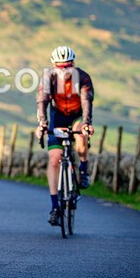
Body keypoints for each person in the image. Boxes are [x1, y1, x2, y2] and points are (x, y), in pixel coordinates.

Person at [36, 46, 95, 226]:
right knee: (55, 158)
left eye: (67, 65)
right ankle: (55, 207)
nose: (64, 70)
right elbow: (42, 101)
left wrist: (87, 123)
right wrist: (42, 124)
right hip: (58, 117)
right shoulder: (48, 78)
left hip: (77, 116)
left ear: (73, 64)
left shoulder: (83, 78)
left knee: (81, 134)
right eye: (60, 66)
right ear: (54, 65)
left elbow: (86, 101)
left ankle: (83, 169)